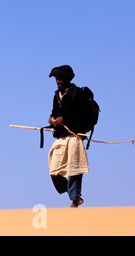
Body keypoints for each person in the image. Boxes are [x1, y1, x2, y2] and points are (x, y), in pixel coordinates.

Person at [47, 65, 90, 208]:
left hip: (75, 136)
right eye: (56, 79)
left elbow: (84, 114)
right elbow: (54, 112)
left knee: (74, 170)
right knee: (54, 171)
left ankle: (75, 199)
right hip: (60, 138)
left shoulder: (77, 94)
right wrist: (52, 119)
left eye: (59, 78)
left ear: (66, 79)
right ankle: (73, 195)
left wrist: (64, 119)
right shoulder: (56, 95)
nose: (57, 81)